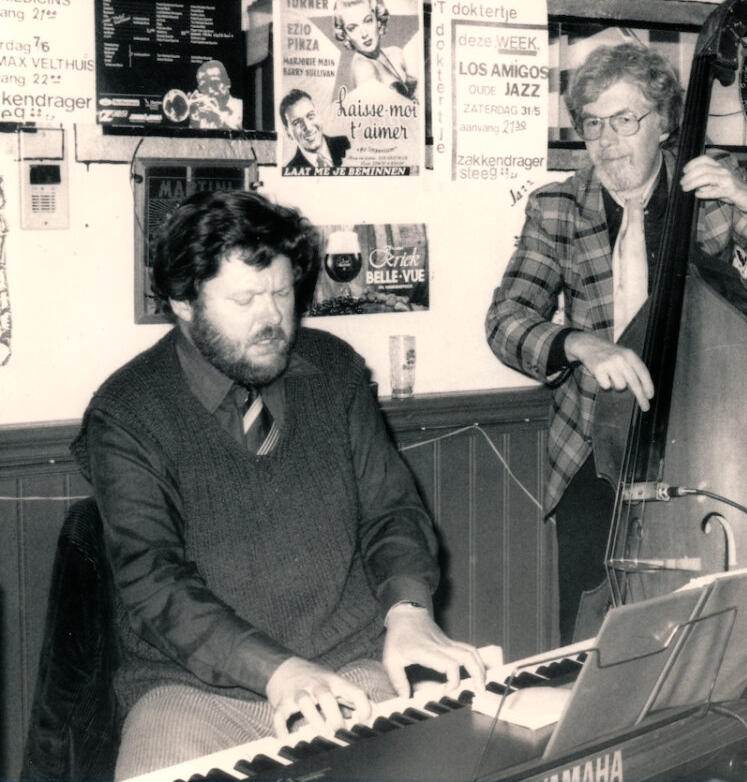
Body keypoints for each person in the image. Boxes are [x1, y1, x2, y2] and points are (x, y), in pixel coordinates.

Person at [71, 190, 484, 780]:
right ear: (183, 303)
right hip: (193, 695)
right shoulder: (129, 410)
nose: (273, 319)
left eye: (283, 292)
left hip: (352, 668)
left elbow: (390, 511)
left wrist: (410, 612)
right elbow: (154, 580)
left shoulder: (336, 370)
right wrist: (279, 671)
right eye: (244, 299)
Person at [484, 42, 747, 643]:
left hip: (707, 441)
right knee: (588, 638)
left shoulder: (710, 193)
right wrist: (578, 344)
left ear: (664, 123)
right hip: (593, 452)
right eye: (593, 124)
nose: (606, 141)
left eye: (624, 120)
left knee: (712, 628)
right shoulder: (556, 207)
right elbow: (506, 320)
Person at [333, 0, 419, 100]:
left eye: (368, 21)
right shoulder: (363, 69)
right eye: (352, 28)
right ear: (346, 35)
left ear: (377, 20)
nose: (364, 34)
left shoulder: (394, 53)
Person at [280, 88, 351, 174]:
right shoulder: (290, 170)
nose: (308, 128)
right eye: (297, 122)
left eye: (310, 116)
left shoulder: (346, 144)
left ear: (319, 116)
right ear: (288, 133)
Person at [189, 59, 243, 130]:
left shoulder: (240, 106)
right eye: (204, 86)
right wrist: (194, 122)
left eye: (214, 83)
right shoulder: (201, 112)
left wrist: (217, 116)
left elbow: (244, 138)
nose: (210, 91)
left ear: (227, 83)